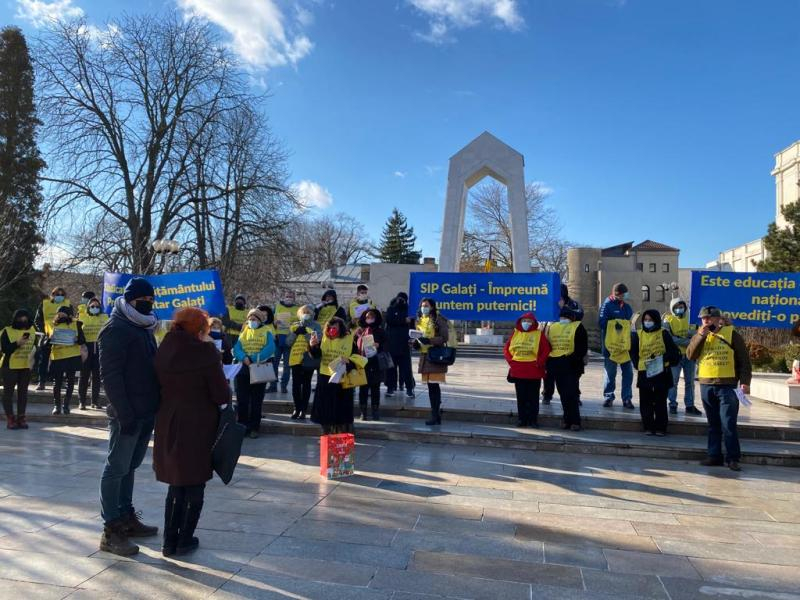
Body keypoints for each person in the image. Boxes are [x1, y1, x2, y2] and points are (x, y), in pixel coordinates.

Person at [154, 307, 230, 557]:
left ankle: (168, 540)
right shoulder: (205, 351)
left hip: (168, 419)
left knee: (176, 482)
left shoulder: (165, 346)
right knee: (194, 482)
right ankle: (184, 539)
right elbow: (220, 393)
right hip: (197, 422)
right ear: (200, 328)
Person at [98, 277, 160, 557]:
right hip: (127, 413)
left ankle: (126, 516)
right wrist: (124, 414)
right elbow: (110, 377)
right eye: (143, 301)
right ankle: (111, 530)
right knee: (116, 468)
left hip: (146, 410)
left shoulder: (144, 327)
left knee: (130, 466)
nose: (148, 305)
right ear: (130, 300)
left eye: (151, 301)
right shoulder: (115, 329)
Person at [687, 306, 752, 472]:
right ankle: (714, 455)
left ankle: (733, 458)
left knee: (728, 423)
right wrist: (701, 335)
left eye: (709, 318)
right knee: (713, 424)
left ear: (717, 319)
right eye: (703, 318)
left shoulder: (731, 334)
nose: (706, 321)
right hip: (706, 384)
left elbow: (744, 360)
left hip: (727, 386)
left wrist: (745, 382)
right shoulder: (700, 334)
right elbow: (690, 355)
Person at [309, 316, 366, 433]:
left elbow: (357, 357)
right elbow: (316, 355)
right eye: (329, 327)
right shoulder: (323, 338)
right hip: (325, 377)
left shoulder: (349, 339)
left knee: (341, 408)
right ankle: (326, 433)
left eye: (334, 327)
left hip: (342, 378)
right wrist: (312, 346)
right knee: (325, 408)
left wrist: (348, 361)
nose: (331, 330)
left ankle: (342, 434)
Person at [631, 310, 681, 436]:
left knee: (660, 401)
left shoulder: (663, 333)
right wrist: (638, 364)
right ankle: (648, 426)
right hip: (645, 371)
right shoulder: (638, 334)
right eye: (645, 320)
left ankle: (660, 427)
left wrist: (661, 358)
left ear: (656, 320)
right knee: (645, 401)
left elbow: (673, 352)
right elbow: (634, 352)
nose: (647, 322)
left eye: (650, 320)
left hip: (661, 372)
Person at [232, 308, 275, 439]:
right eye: (250, 319)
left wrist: (254, 358)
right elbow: (237, 348)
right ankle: (242, 426)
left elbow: (270, 348)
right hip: (243, 369)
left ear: (260, 320)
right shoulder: (244, 331)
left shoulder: (266, 331)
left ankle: (254, 427)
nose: (251, 321)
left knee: (256, 400)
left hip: (259, 367)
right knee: (242, 400)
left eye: (254, 319)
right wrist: (243, 357)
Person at [503, 312, 550, 428]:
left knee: (533, 398)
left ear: (534, 323)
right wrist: (511, 362)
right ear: (520, 322)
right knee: (521, 397)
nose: (526, 323)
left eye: (529, 321)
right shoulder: (515, 333)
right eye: (524, 321)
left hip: (534, 371)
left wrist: (539, 362)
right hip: (518, 370)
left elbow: (546, 349)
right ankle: (522, 419)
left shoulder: (539, 334)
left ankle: (533, 420)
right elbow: (507, 349)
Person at [546, 306, 588, 431]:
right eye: (562, 317)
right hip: (557, 366)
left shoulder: (578, 327)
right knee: (563, 395)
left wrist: (569, 358)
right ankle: (566, 419)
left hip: (572, 366)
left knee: (572, 394)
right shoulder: (553, 327)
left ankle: (575, 421)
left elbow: (582, 348)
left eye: (566, 317)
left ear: (572, 318)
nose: (564, 319)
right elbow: (549, 345)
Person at [542, 284, 583, 405]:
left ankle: (575, 395)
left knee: (573, 374)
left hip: (567, 343)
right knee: (549, 373)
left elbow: (579, 315)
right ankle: (547, 395)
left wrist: (563, 308)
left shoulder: (573, 304)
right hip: (552, 342)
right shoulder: (548, 302)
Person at [412, 298, 449, 426]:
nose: (424, 308)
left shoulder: (439, 319)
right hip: (424, 356)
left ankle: (435, 415)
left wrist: (430, 341)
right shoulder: (420, 319)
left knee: (434, 387)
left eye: (426, 306)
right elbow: (419, 337)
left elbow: (444, 337)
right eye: (422, 306)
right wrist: (415, 343)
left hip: (435, 356)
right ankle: (435, 415)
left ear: (432, 307)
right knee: (430, 387)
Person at [663, 298, 702, 416]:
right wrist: (688, 340)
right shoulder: (668, 320)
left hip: (690, 355)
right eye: (676, 307)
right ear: (672, 308)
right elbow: (669, 339)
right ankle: (672, 404)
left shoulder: (692, 318)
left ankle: (689, 405)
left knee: (690, 382)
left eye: (681, 306)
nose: (679, 309)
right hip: (675, 356)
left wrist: (682, 339)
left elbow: (697, 334)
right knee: (673, 381)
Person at [599, 282, 635, 409]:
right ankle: (608, 397)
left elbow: (631, 322)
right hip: (611, 347)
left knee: (628, 374)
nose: (626, 296)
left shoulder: (626, 306)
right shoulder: (607, 305)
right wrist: (616, 323)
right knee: (610, 373)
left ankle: (627, 398)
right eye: (624, 294)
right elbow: (602, 322)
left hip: (625, 347)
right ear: (617, 294)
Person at [1, 309, 35, 429]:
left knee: (23, 394)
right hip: (10, 366)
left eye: (25, 318)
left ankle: (21, 417)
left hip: (25, 366)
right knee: (8, 394)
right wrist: (17, 343)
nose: (23, 320)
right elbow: (5, 349)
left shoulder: (32, 330)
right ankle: (10, 418)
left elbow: (33, 347)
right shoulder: (7, 331)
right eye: (20, 318)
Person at [286, 304, 322, 420]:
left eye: (308, 312)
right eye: (304, 312)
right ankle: (296, 408)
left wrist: (307, 334)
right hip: (295, 358)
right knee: (296, 385)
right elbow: (288, 343)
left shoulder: (316, 326)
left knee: (306, 384)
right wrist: (295, 333)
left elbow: (318, 340)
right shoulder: (294, 326)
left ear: (312, 314)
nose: (306, 314)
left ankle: (303, 410)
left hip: (308, 358)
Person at [50, 305, 86, 415]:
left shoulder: (76, 324)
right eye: (59, 314)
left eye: (63, 313)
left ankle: (66, 405)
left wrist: (77, 339)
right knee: (57, 382)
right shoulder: (52, 325)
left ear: (69, 314)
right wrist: (50, 339)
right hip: (58, 356)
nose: (61, 315)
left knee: (70, 382)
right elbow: (45, 343)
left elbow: (82, 340)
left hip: (72, 356)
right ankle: (57, 406)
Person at [34, 286, 71, 390]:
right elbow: (37, 320)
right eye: (57, 294)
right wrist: (44, 331)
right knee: (43, 360)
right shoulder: (44, 304)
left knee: (61, 360)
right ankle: (41, 382)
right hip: (47, 337)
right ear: (52, 295)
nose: (59, 296)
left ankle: (61, 381)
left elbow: (72, 319)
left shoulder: (68, 305)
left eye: (62, 295)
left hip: (62, 337)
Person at [355, 308, 387, 421]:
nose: (370, 319)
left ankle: (375, 411)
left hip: (376, 363)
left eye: (372, 317)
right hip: (363, 363)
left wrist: (379, 345)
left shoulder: (380, 331)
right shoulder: (359, 331)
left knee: (375, 388)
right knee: (363, 388)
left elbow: (387, 345)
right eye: (367, 317)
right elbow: (354, 345)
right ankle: (363, 412)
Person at [384, 292, 416, 399]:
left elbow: (413, 327)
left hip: (404, 344)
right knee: (391, 368)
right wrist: (403, 320)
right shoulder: (391, 309)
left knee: (406, 368)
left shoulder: (409, 310)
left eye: (403, 299)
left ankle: (410, 389)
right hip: (392, 343)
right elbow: (389, 320)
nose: (401, 301)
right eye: (400, 298)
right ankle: (390, 388)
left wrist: (413, 339)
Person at [79, 297, 108, 409]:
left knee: (96, 377)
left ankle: (95, 401)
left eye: (97, 306)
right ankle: (82, 401)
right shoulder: (82, 317)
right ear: (88, 307)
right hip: (86, 349)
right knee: (84, 376)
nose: (95, 308)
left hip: (99, 349)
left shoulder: (104, 317)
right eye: (92, 306)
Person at [273, 290, 298, 394]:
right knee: (274, 363)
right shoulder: (277, 306)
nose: (289, 298)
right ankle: (273, 385)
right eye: (287, 296)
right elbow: (271, 321)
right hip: (278, 338)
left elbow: (299, 323)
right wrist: (275, 322)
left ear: (294, 299)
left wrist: (294, 324)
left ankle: (284, 386)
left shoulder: (297, 309)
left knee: (287, 365)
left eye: (291, 297)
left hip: (289, 339)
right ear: (283, 297)